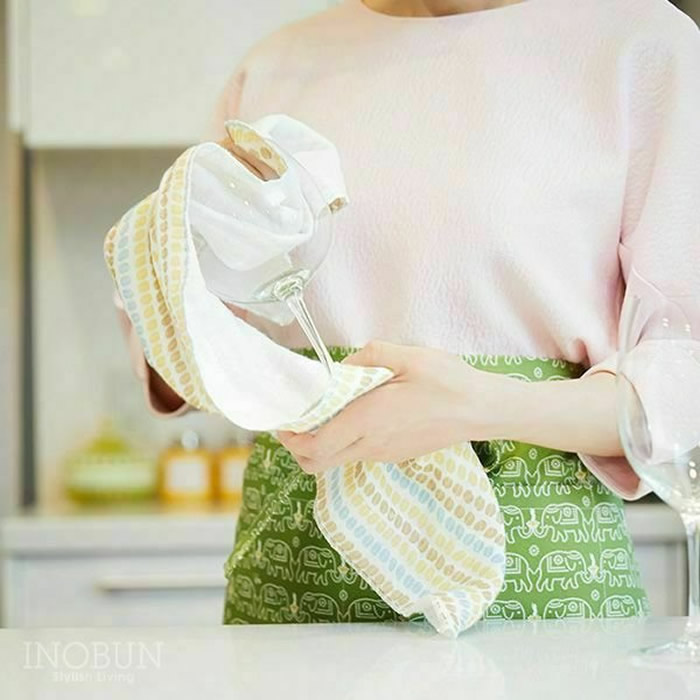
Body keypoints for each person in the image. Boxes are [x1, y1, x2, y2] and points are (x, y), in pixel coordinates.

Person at [113, 0, 700, 623]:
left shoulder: (641, 45)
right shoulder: (275, 66)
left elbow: (685, 371)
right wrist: (169, 265)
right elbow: (190, 349)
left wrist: (484, 405)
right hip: (294, 573)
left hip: (536, 582)